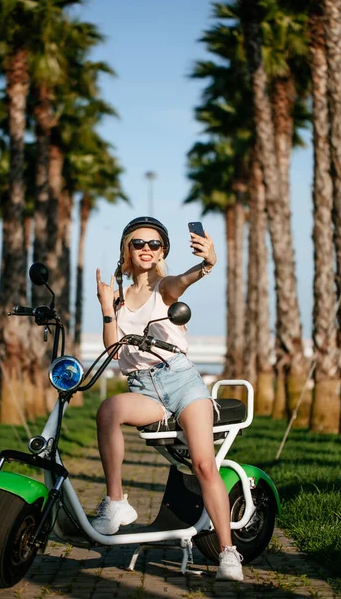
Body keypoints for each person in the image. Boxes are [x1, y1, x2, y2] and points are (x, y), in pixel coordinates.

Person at [93, 216, 243, 582]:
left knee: (204, 464)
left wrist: (208, 262)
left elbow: (188, 278)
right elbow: (114, 351)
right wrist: (106, 305)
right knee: (108, 410)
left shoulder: (165, 288)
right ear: (127, 250)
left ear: (162, 251)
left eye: (154, 244)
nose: (146, 249)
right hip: (143, 387)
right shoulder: (117, 296)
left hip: (182, 382)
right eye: (138, 244)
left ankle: (227, 552)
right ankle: (116, 504)